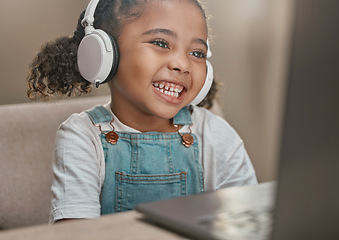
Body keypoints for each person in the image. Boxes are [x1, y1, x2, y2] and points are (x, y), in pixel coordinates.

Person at [26, 0, 257, 223]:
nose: (183, 65)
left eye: (196, 53)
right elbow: (77, 234)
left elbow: (247, 223)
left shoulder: (216, 134)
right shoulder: (82, 136)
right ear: (104, 54)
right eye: (161, 43)